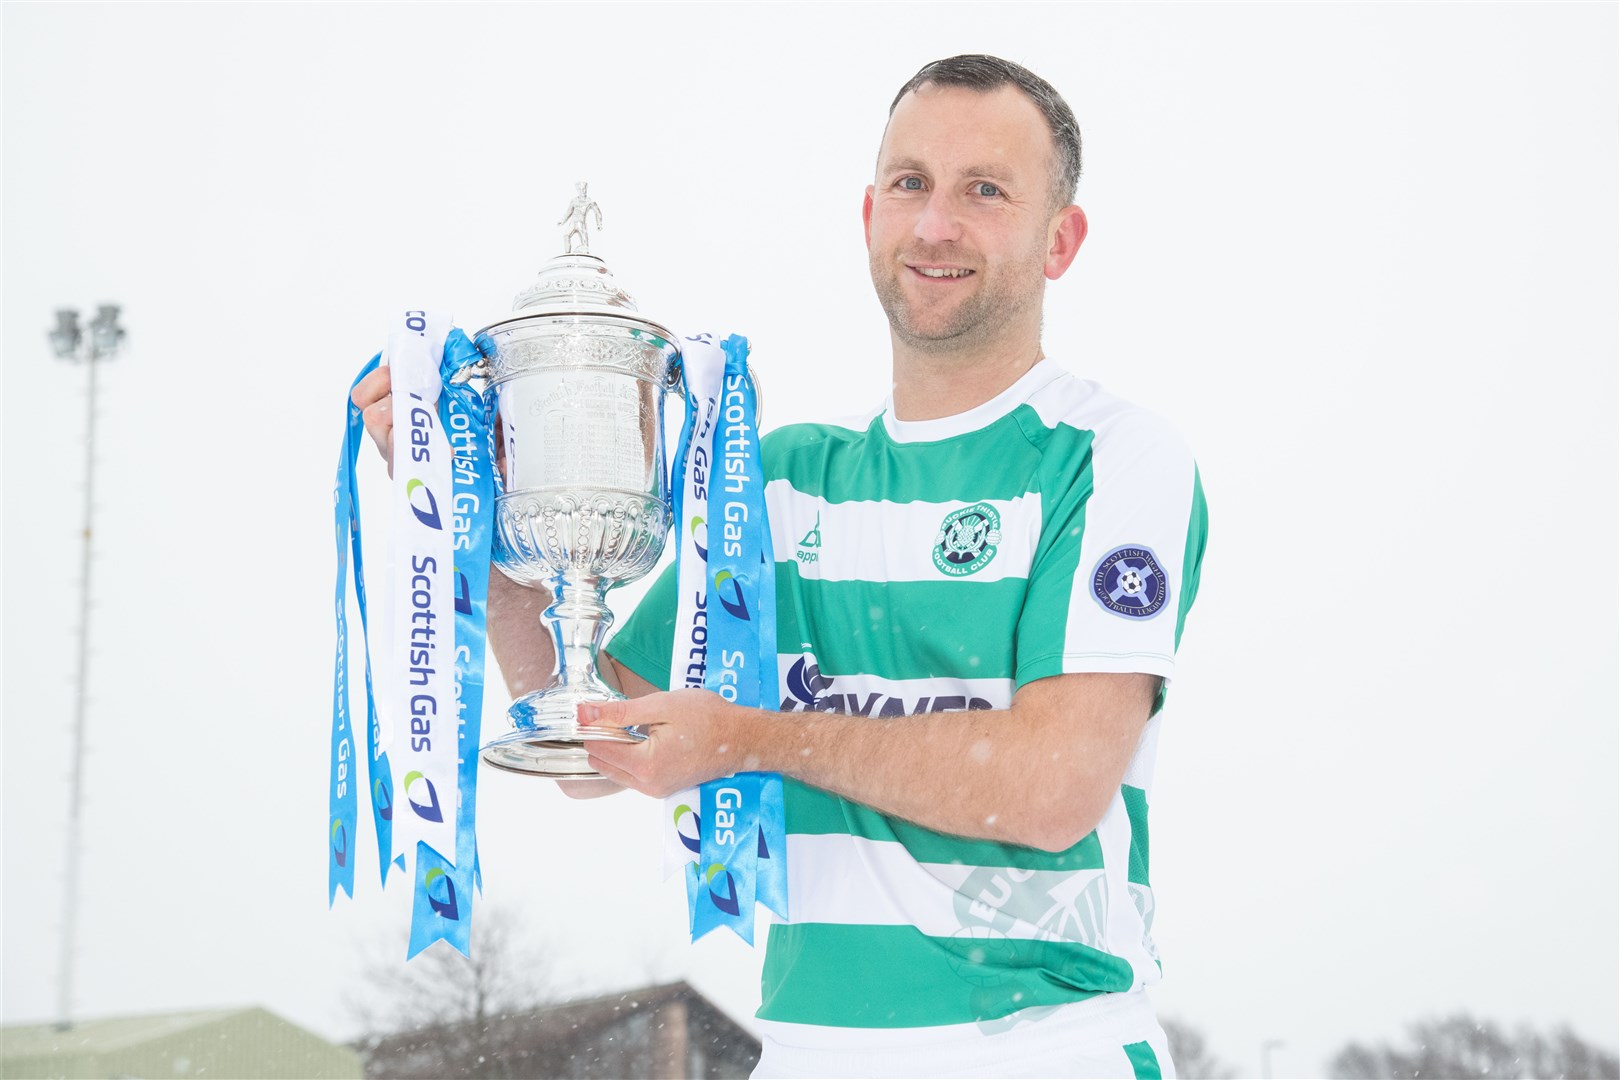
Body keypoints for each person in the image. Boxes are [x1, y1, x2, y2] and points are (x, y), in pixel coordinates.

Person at [354, 54, 1207, 1080]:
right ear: (868, 214)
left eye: (985, 190)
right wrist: (478, 531)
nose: (936, 224)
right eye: (911, 183)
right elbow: (593, 737)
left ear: (1059, 239)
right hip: (805, 1050)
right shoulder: (785, 477)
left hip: (1033, 1049)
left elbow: (1050, 787)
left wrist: (749, 739)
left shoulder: (1111, 456)